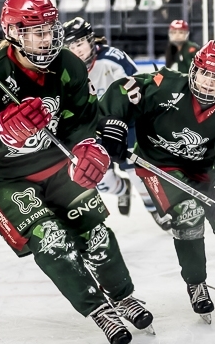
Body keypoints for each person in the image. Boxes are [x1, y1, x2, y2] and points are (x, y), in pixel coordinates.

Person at [0, 0, 154, 344]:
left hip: (56, 166)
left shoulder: (68, 65)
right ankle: (98, 309)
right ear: (14, 32)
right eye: (37, 32)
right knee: (51, 239)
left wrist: (87, 145)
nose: (47, 39)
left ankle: (123, 296)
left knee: (95, 232)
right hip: (2, 179)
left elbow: (84, 117)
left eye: (49, 30)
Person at [98, 40, 215, 324]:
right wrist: (113, 123)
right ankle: (196, 284)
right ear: (194, 70)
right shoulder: (164, 85)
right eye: (205, 73)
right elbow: (124, 89)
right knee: (187, 215)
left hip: (205, 169)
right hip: (158, 165)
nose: (209, 82)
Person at [63, 16, 172, 231]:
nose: (77, 50)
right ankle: (122, 190)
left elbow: (139, 85)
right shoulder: (66, 70)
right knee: (99, 179)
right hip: (93, 129)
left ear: (90, 40)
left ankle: (154, 208)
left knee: (136, 169)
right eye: (71, 46)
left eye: (80, 43)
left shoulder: (113, 58)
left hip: (124, 123)